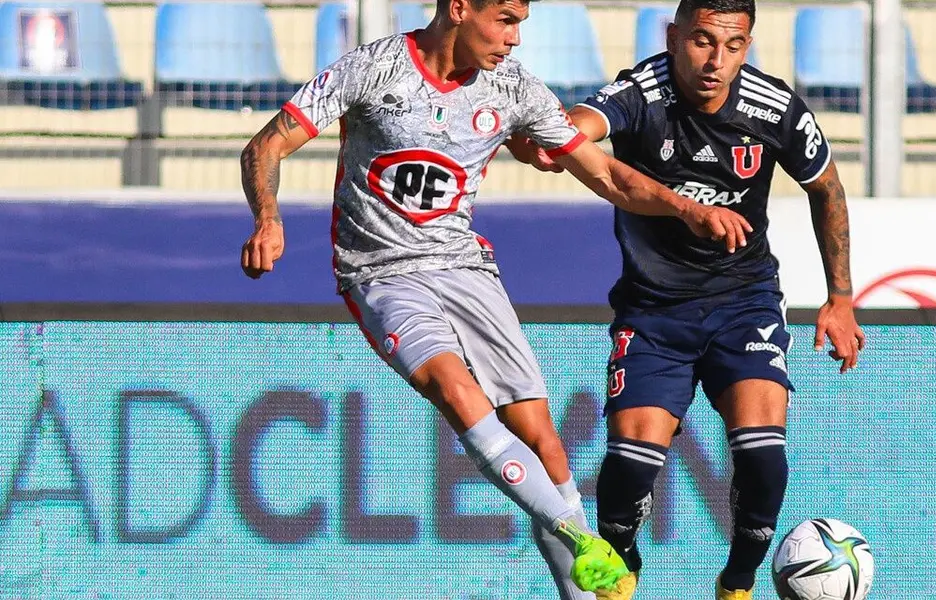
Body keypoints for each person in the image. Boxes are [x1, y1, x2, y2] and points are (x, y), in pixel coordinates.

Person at [236, 0, 753, 596]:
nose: (514, 38)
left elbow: (606, 176)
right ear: (459, 8)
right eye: (505, 19)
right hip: (383, 272)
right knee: (457, 393)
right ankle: (584, 542)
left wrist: (687, 208)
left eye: (521, 24)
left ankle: (580, 585)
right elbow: (265, 146)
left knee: (545, 443)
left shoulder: (513, 90)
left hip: (465, 269)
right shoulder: (370, 70)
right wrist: (268, 219)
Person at [508, 0, 866, 597]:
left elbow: (825, 188)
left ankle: (739, 581)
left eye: (732, 46)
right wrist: (553, 140)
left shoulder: (775, 108)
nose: (715, 61)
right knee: (630, 468)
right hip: (653, 311)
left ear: (747, 45)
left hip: (743, 301)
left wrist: (841, 297)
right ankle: (623, 576)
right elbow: (583, 125)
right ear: (674, 36)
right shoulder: (640, 93)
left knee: (762, 456)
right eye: (702, 41)